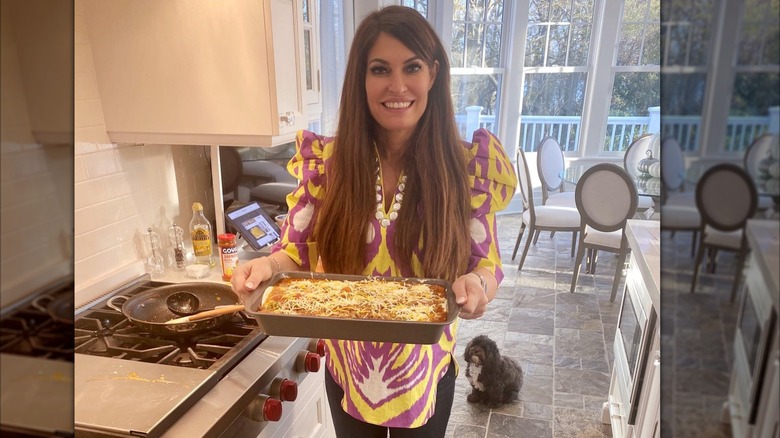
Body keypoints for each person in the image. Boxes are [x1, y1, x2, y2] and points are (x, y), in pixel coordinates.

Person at [231, 5, 516, 437]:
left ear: (433, 74)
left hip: (425, 374)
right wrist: (266, 268)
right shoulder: (328, 166)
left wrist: (478, 287)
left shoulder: (466, 168)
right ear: (360, 81)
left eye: (412, 67)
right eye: (380, 69)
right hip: (349, 370)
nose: (397, 86)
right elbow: (295, 251)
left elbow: (486, 263)